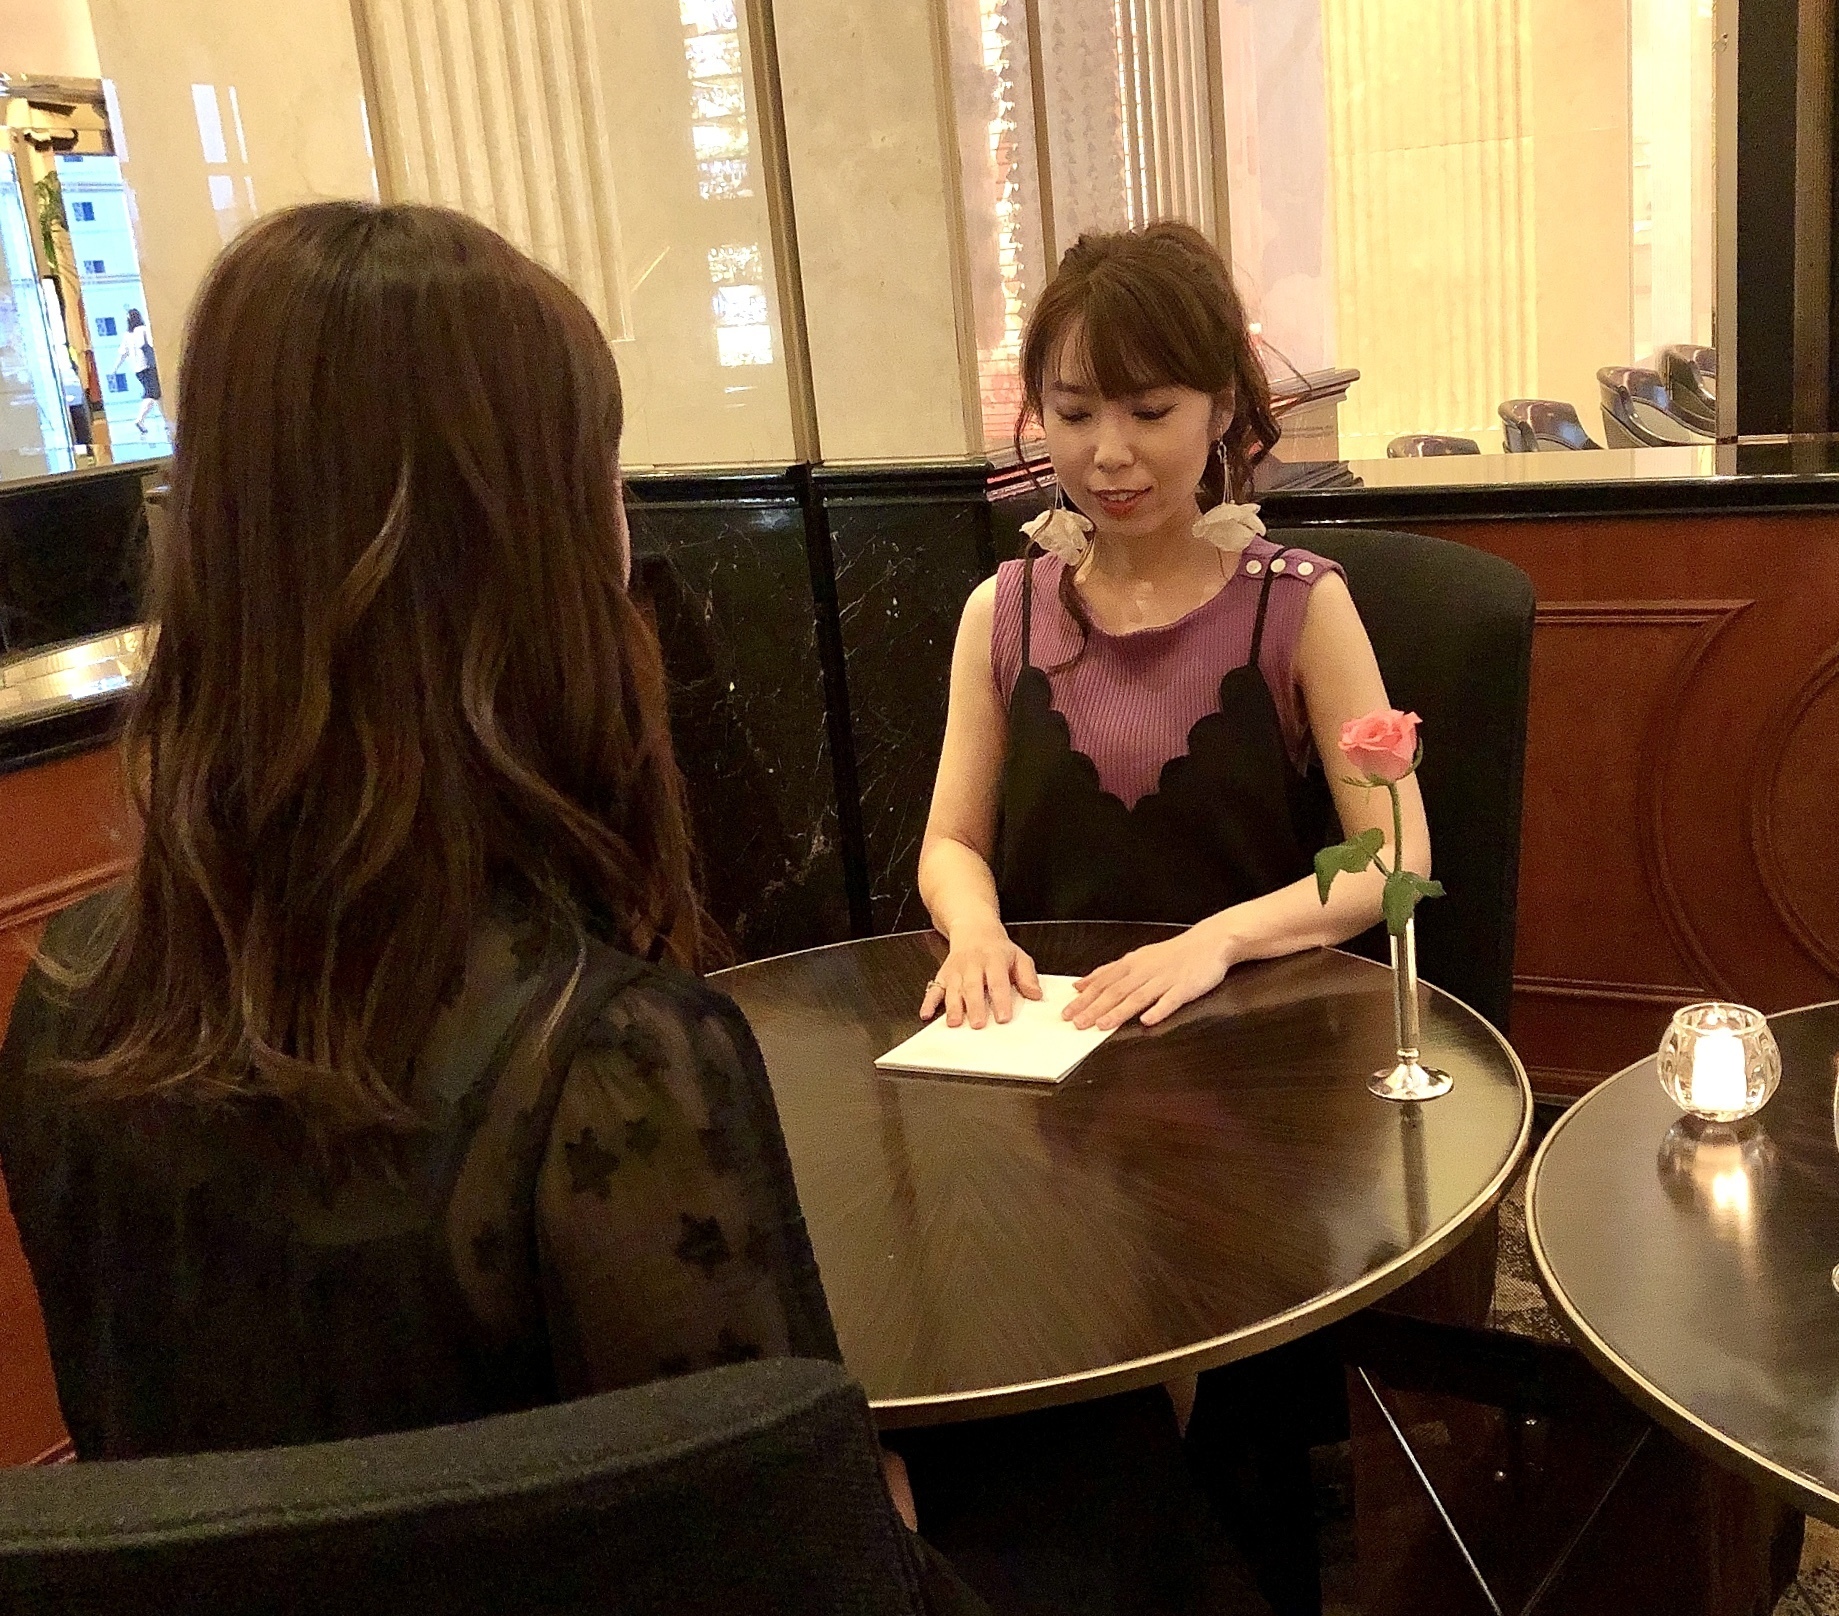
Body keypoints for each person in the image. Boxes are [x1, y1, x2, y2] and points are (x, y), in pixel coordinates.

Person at [0, 202, 978, 1608]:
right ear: (528, 551)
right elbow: (794, 1555)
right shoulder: (604, 1067)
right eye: (601, 478)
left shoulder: (68, 1001)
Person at [910, 222, 1430, 1616]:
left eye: (1148, 409)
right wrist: (973, 927)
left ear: (1222, 410)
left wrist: (1217, 938)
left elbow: (1390, 859)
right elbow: (949, 842)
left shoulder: (1295, 607)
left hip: (1251, 1083)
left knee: (1223, 1428)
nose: (1110, 453)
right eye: (1074, 411)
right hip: (1054, 1073)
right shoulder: (1003, 608)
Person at [111, 307, 161, 436]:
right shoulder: (143, 330)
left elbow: (123, 353)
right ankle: (140, 419)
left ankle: (164, 420)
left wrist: (115, 368)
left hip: (137, 369)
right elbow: (152, 345)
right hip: (149, 366)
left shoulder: (127, 335)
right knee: (152, 394)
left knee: (154, 392)